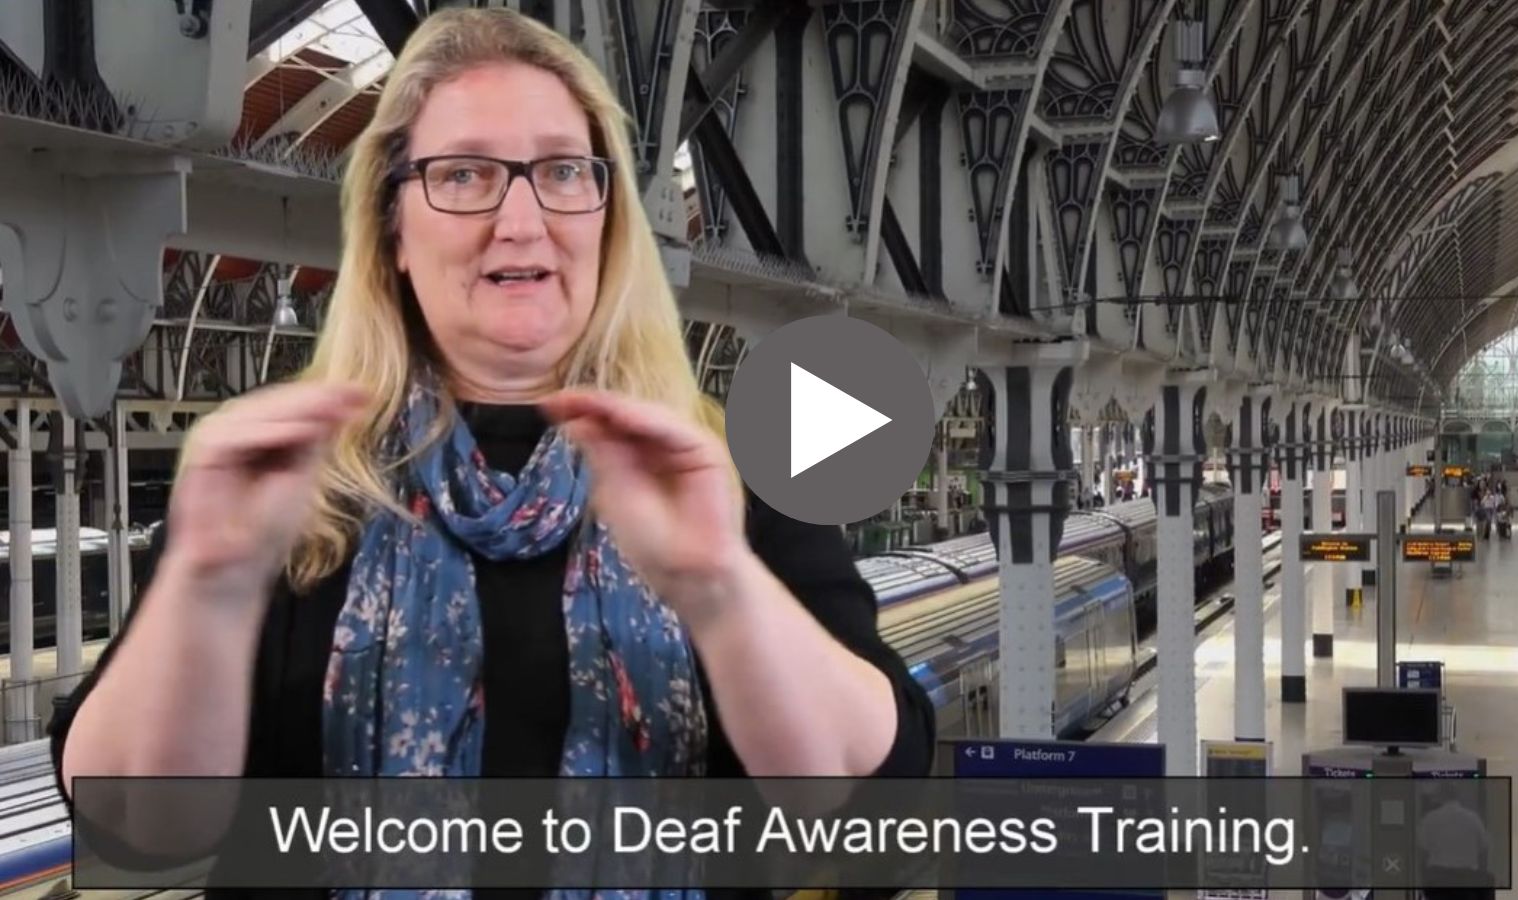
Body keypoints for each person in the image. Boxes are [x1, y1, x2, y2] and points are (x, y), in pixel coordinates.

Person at [49, 7, 934, 895]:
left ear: (608, 219)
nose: (520, 219)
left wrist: (721, 585)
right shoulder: (285, 481)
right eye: (465, 174)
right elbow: (135, 828)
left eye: (560, 172)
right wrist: (205, 584)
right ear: (392, 226)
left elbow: (871, 818)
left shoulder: (722, 480)